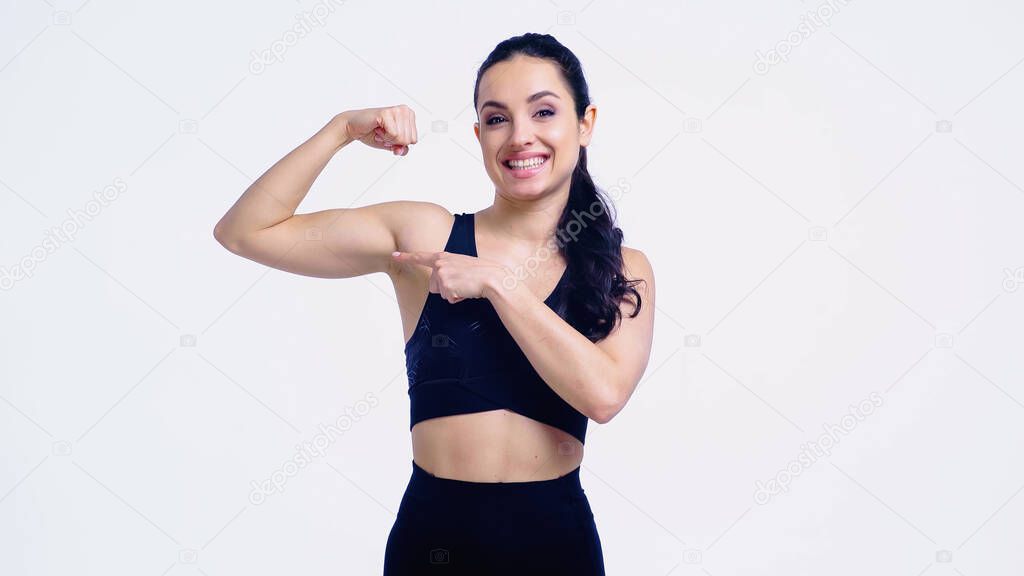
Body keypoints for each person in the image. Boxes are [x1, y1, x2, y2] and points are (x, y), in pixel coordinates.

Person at [214, 32, 655, 575]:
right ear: (478, 134)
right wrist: (341, 131)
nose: (521, 137)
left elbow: (604, 397)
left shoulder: (621, 267)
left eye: (543, 112)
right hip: (434, 540)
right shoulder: (426, 237)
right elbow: (245, 232)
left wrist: (499, 284)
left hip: (555, 543)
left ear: (584, 123)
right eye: (497, 119)